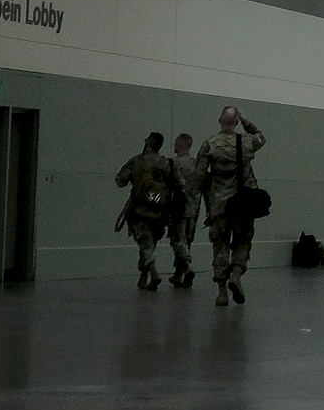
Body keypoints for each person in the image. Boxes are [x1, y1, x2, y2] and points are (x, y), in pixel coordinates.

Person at [194, 105, 268, 306]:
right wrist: (246, 121)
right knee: (243, 241)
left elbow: (199, 176)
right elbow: (261, 137)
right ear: (236, 122)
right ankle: (236, 275)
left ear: (219, 120)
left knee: (220, 246)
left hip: (220, 206)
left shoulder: (209, 144)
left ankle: (221, 293)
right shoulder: (245, 141)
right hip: (243, 204)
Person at [112, 130, 190, 290]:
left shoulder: (136, 161)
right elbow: (180, 183)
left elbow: (120, 181)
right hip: (160, 211)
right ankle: (144, 276)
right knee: (151, 242)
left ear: (147, 143)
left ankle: (153, 273)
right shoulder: (166, 162)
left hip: (139, 210)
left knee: (145, 244)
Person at [162, 133, 201, 285]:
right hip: (194, 207)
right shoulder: (197, 164)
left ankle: (187, 267)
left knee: (177, 240)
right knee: (187, 240)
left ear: (183, 144)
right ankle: (178, 274)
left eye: (177, 143)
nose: (174, 146)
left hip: (178, 207)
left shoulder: (172, 163)